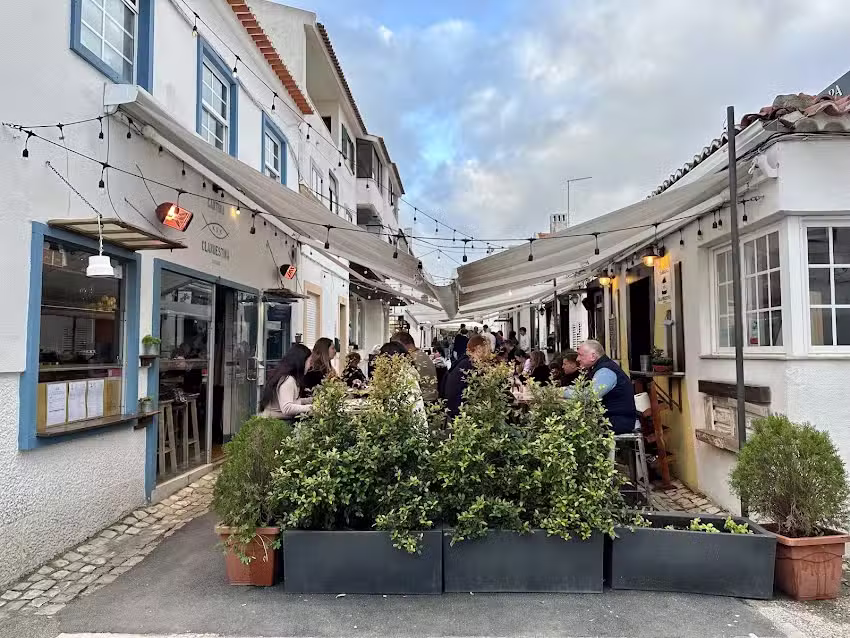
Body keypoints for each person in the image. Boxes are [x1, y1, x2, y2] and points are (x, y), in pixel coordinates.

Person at [565, 340, 636, 434]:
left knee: (569, 427)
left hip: (616, 421)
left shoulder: (606, 371)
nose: (577, 359)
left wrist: (561, 393)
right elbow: (583, 389)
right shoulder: (599, 368)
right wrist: (565, 390)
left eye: (580, 355)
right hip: (611, 418)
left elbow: (589, 395)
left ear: (593, 356)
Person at [443, 334, 490, 421]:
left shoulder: (464, 360)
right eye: (487, 349)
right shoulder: (470, 364)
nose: (489, 353)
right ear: (478, 349)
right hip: (460, 411)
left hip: (452, 407)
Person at [259, 343, 313, 420]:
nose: (310, 366)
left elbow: (292, 401)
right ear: (301, 362)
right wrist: (312, 408)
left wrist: (308, 401)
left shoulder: (286, 377)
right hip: (274, 424)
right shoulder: (288, 380)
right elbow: (287, 408)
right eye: (309, 362)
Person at [392, 331, 438, 402]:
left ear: (401, 344)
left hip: (422, 401)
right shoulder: (422, 355)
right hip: (432, 397)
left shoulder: (410, 358)